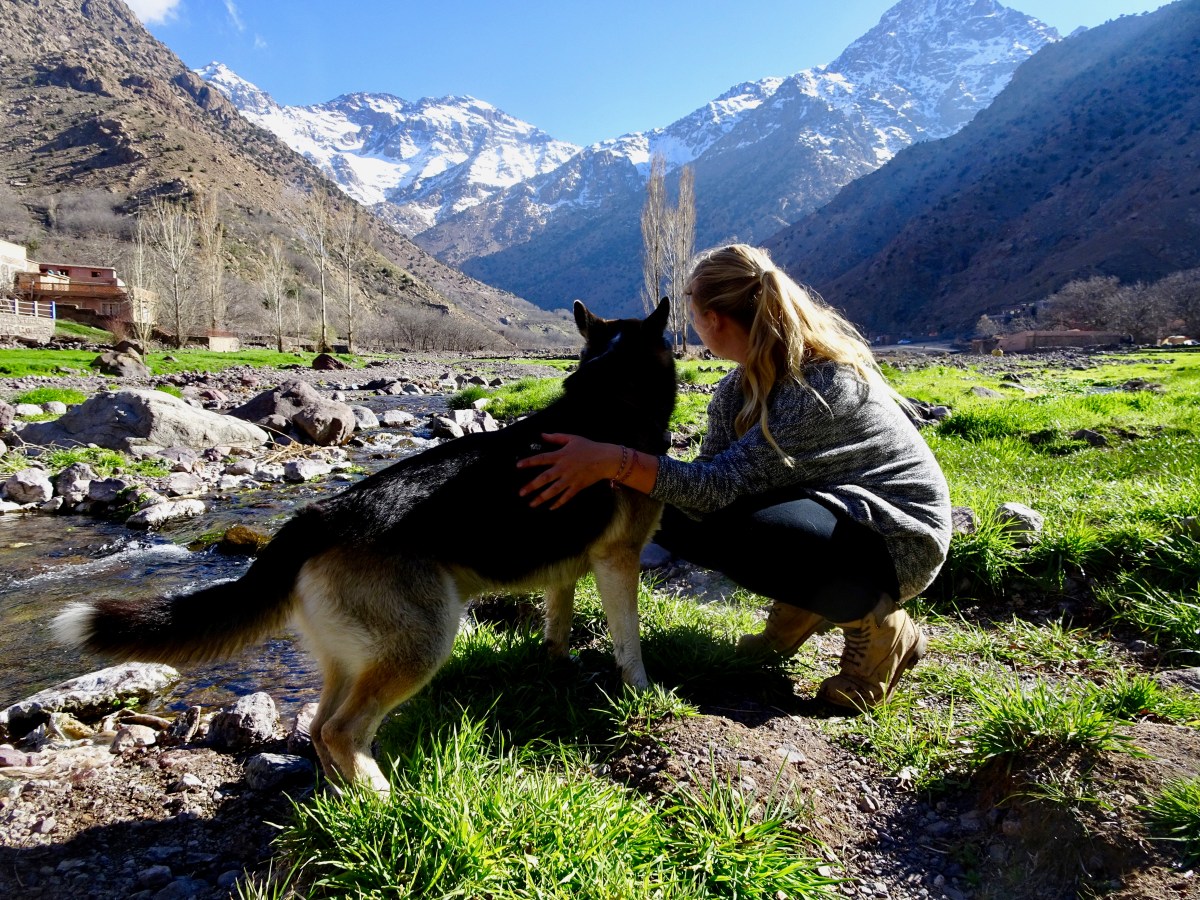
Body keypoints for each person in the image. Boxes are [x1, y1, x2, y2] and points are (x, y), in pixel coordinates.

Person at [518, 244, 952, 709]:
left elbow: (715, 490)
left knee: (718, 520)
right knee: (666, 513)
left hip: (898, 541)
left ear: (713, 319)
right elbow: (701, 485)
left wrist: (613, 460)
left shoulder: (820, 388)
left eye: (692, 316)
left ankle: (878, 625)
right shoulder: (735, 390)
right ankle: (808, 601)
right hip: (835, 518)